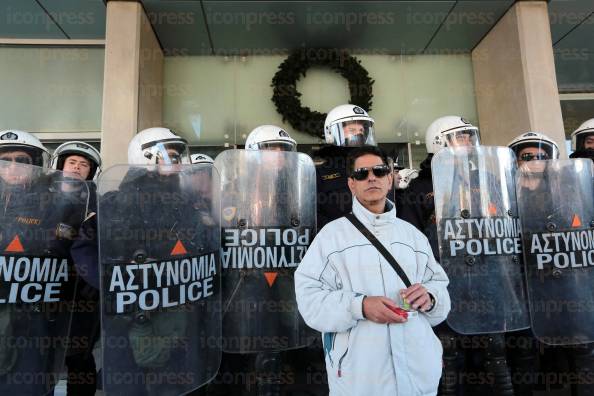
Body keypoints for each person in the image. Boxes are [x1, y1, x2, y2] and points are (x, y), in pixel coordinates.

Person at [295, 145, 450, 396]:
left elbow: (439, 290)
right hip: (360, 382)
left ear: (389, 179)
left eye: (379, 171)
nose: (371, 177)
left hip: (420, 379)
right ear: (351, 184)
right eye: (361, 173)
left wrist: (431, 297)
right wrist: (360, 306)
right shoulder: (330, 238)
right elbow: (309, 300)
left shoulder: (413, 236)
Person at [99, 127, 220, 396]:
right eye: (170, 155)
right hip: (133, 314)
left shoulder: (189, 204)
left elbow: (206, 249)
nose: (176, 162)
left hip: (181, 312)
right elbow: (88, 250)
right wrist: (115, 279)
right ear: (146, 156)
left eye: (178, 156)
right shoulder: (117, 202)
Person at [0, 129, 89, 395]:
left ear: (36, 164)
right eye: (5, 160)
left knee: (30, 383)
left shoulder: (58, 203)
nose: (12, 167)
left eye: (21, 160)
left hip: (35, 313)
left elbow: (66, 251)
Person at [51, 141, 102, 396]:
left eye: (84, 165)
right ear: (61, 164)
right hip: (43, 286)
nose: (77, 167)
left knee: (79, 355)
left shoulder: (98, 203)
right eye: (72, 162)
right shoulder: (40, 196)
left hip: (81, 292)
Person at [314, 104, 376, 229]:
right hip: (336, 241)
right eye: (352, 130)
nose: (358, 135)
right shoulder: (320, 173)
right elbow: (314, 214)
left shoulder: (377, 168)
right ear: (331, 134)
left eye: (361, 131)